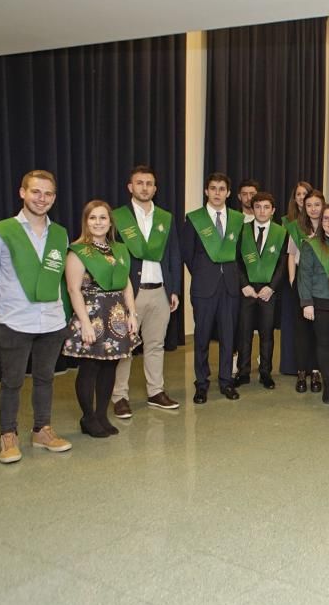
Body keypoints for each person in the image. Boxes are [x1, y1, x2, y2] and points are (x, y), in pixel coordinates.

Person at [0, 170, 73, 463]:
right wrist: (3, 305)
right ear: (22, 193)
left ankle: (42, 430)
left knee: (45, 377)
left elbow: (59, 277)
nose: (41, 199)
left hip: (52, 320)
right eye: (35, 192)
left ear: (54, 198)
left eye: (48, 194)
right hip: (14, 320)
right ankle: (8, 435)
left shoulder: (60, 233)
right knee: (12, 381)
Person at [63, 200, 142, 437]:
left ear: (110, 222)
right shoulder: (78, 251)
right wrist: (85, 323)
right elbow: (73, 290)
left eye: (102, 218)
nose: (98, 223)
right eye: (93, 218)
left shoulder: (118, 248)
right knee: (90, 367)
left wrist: (132, 314)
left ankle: (101, 416)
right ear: (86, 222)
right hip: (92, 315)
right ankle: (88, 418)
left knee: (110, 366)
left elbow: (126, 283)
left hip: (116, 314)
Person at [110, 165, 182, 417]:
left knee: (155, 345)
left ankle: (155, 391)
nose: (144, 187)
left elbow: (174, 254)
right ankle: (119, 396)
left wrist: (174, 289)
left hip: (160, 291)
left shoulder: (165, 217)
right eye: (139, 183)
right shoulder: (117, 217)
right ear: (130, 187)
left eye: (149, 183)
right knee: (125, 347)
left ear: (155, 188)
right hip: (130, 292)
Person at [180, 172, 244, 403]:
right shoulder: (194, 219)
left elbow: (238, 254)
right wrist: (203, 273)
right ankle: (202, 383)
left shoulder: (237, 220)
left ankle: (226, 381)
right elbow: (187, 253)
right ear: (206, 191)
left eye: (222, 189)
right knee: (202, 337)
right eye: (213, 188)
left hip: (230, 287)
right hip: (203, 288)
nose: (217, 193)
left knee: (228, 336)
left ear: (228, 193)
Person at [235, 192, 288, 389]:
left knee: (267, 333)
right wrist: (243, 285)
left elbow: (283, 263)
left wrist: (272, 287)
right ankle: (243, 371)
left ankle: (265, 372)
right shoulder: (242, 230)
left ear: (273, 211)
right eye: (258, 207)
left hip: (268, 291)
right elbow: (237, 261)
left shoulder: (280, 232)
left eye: (266, 207)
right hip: (247, 290)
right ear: (252, 209)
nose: (262, 211)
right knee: (244, 333)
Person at [298, 202, 329, 403]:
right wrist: (306, 302)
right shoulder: (311, 244)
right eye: (326, 218)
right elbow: (304, 275)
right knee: (324, 345)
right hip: (321, 302)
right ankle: (328, 383)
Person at [280, 182, 321, 391]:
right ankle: (302, 372)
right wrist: (292, 281)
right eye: (309, 205)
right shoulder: (297, 228)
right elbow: (291, 255)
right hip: (301, 284)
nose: (313, 208)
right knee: (301, 331)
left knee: (318, 331)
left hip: (322, 285)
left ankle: (316, 372)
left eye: (317, 204)